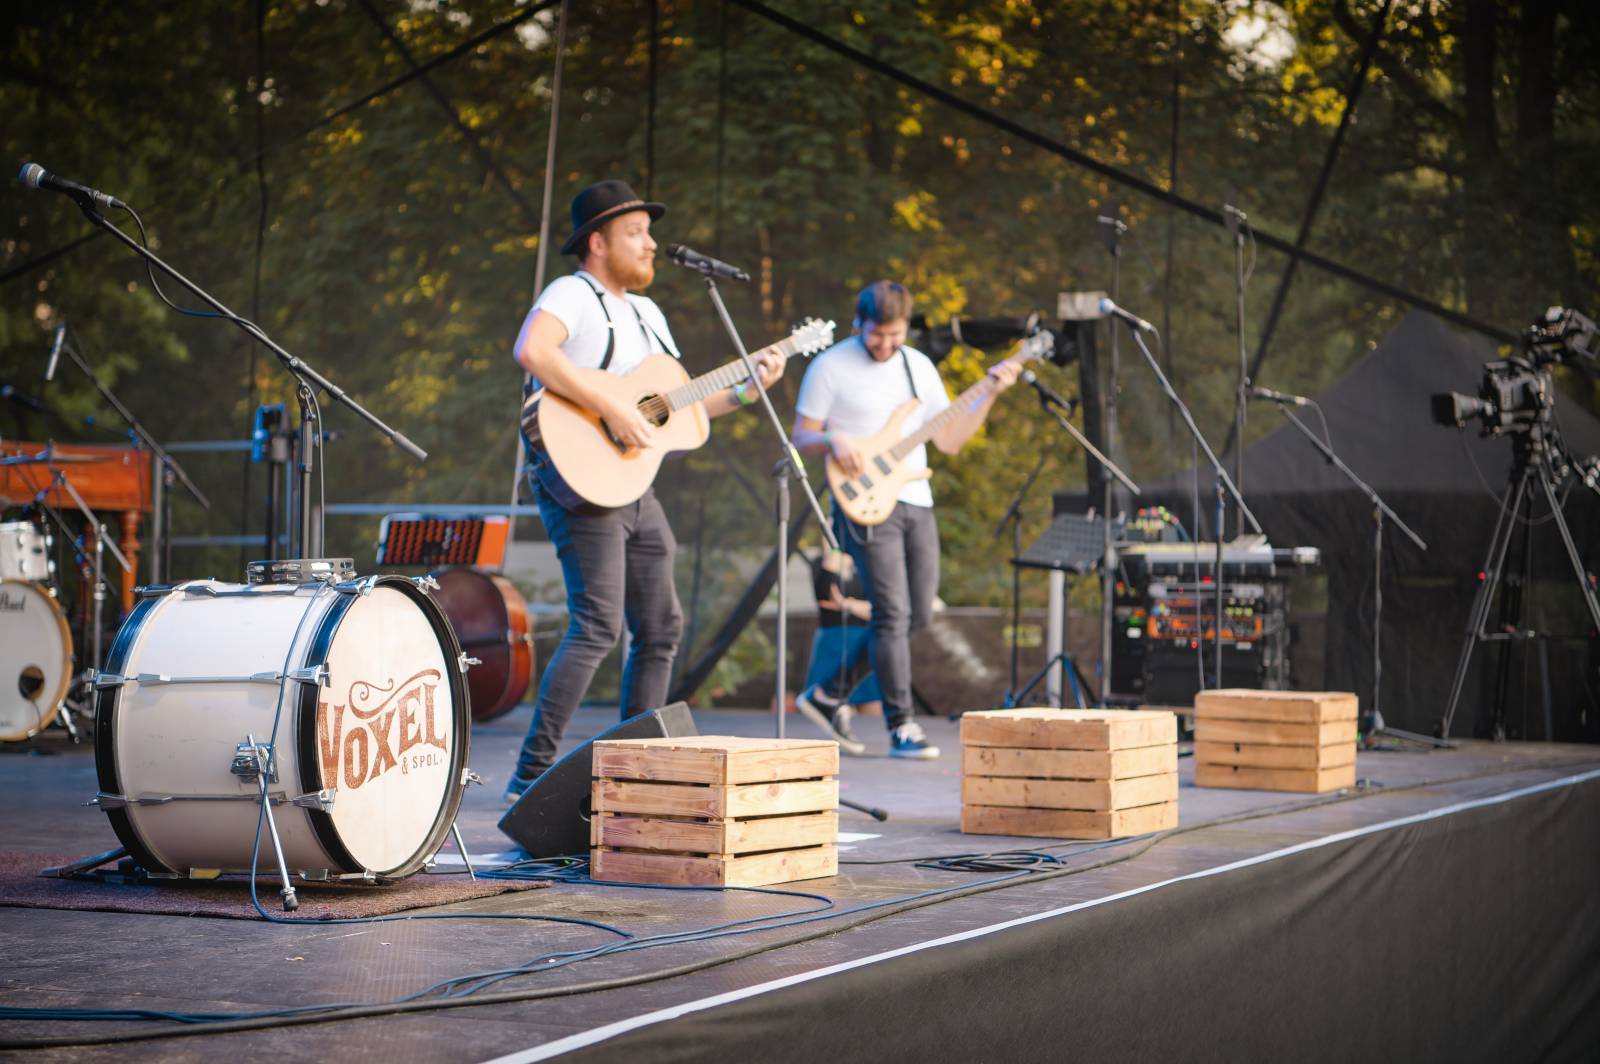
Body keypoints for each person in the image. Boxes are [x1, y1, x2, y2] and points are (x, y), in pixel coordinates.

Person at [505, 179, 786, 801]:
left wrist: (748, 387)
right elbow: (534, 350)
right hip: (579, 475)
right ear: (597, 242)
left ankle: (637, 762)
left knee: (660, 627)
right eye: (637, 233)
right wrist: (610, 403)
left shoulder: (648, 315)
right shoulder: (571, 294)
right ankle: (530, 774)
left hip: (632, 483)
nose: (652, 244)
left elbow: (679, 408)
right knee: (598, 626)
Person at [791, 280, 1019, 759]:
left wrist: (991, 394)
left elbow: (950, 440)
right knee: (891, 613)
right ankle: (902, 726)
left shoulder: (917, 366)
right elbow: (802, 437)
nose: (887, 345)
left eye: (895, 336)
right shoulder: (830, 366)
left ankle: (828, 693)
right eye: (878, 336)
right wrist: (835, 440)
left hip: (916, 496)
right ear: (859, 323)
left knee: (916, 612)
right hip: (863, 502)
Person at [796, 547, 880, 756]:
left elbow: (880, 609)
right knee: (836, 707)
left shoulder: (867, 564)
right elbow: (825, 595)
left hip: (861, 640)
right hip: (833, 641)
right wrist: (834, 552)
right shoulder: (821, 562)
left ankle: (867, 750)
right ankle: (837, 748)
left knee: (872, 707)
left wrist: (845, 604)